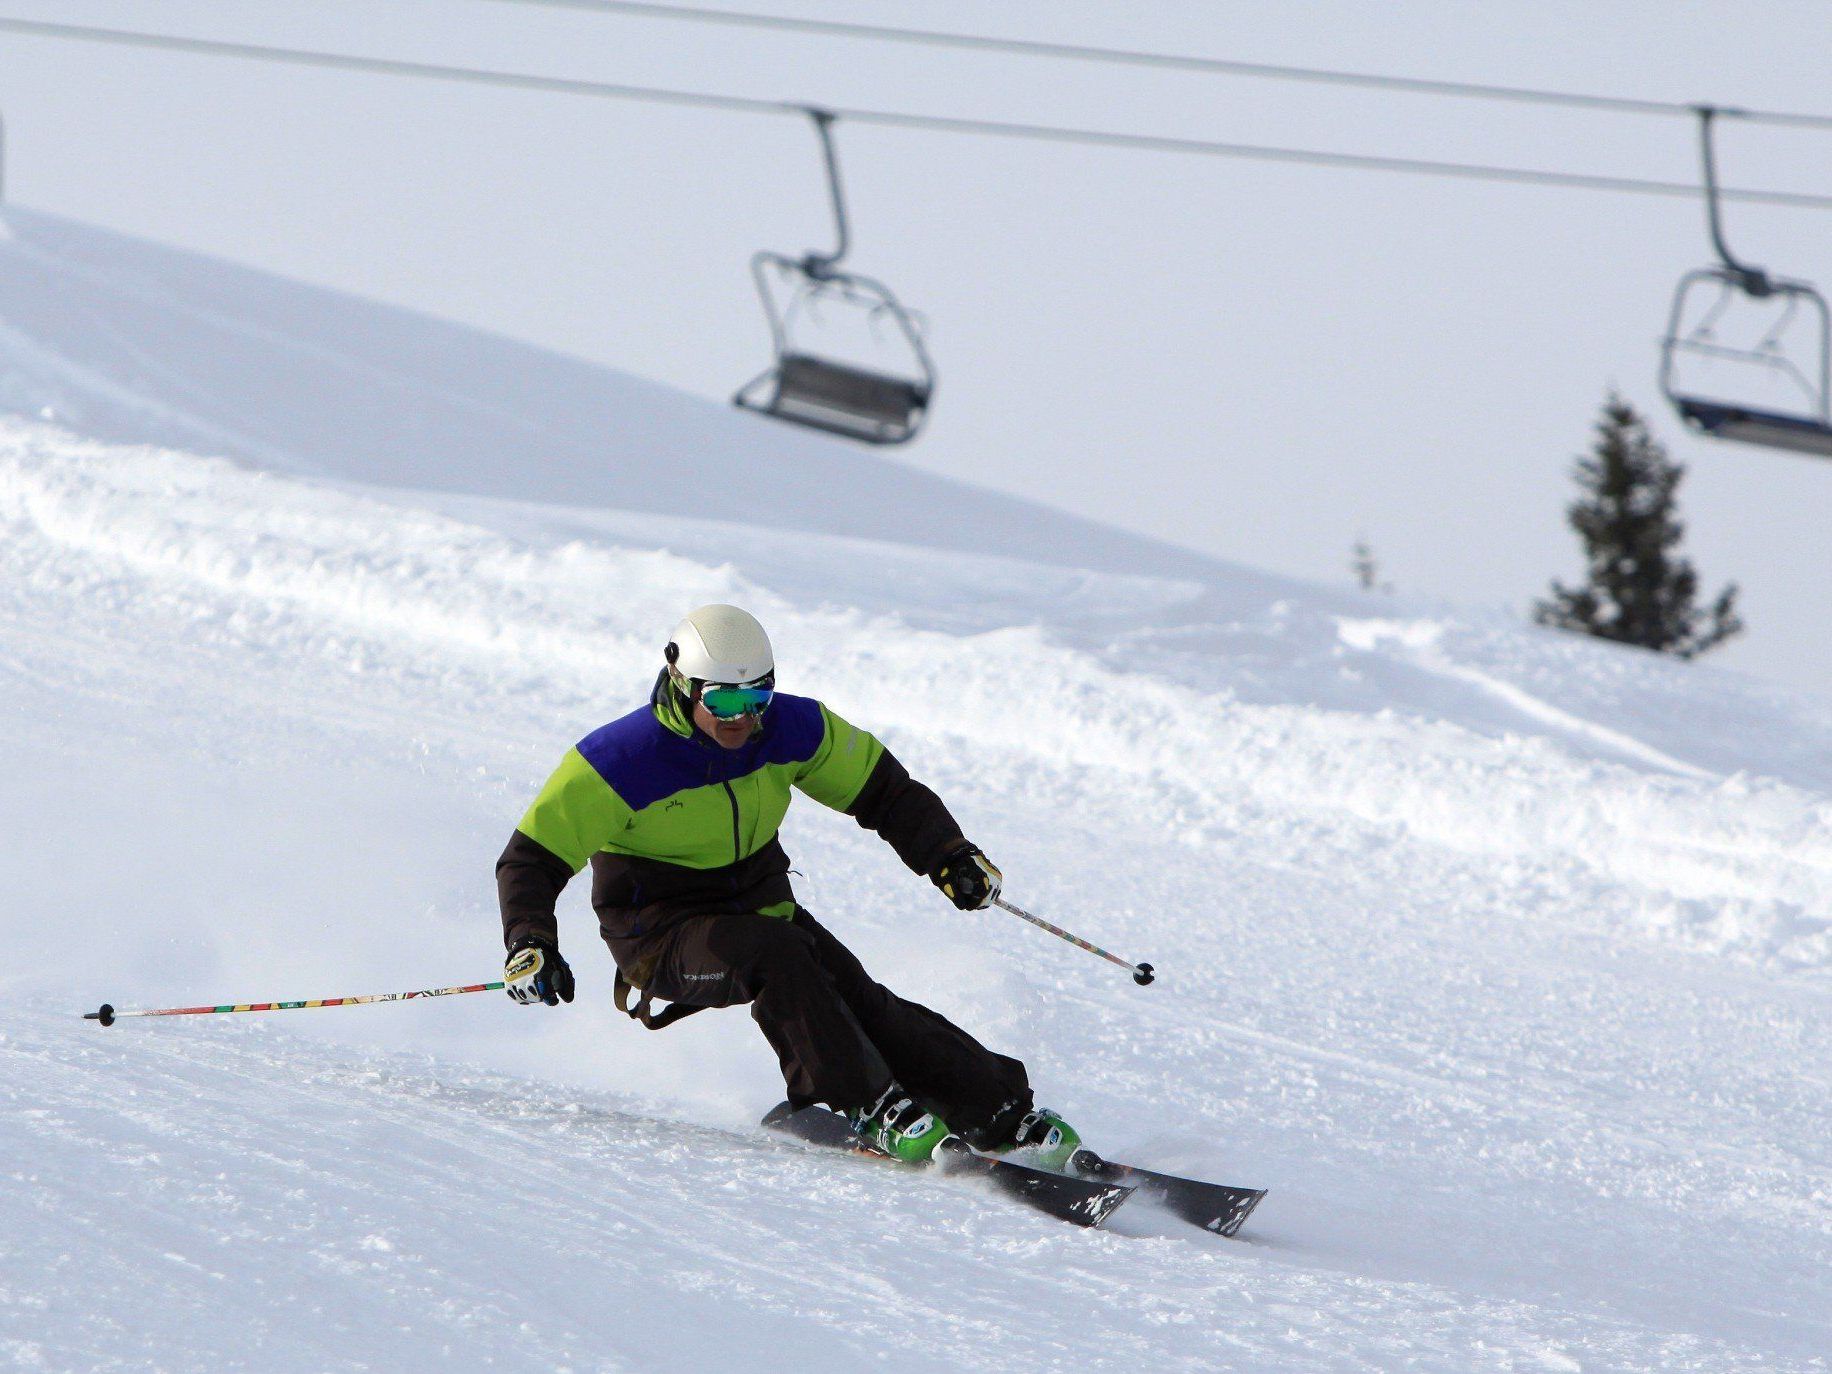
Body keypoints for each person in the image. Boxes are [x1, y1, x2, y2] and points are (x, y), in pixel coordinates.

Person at [495, 603, 1082, 1166]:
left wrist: (949, 856)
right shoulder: (621, 760)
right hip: (660, 933)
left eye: (757, 697)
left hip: (760, 906)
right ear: (681, 682)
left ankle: (997, 1113)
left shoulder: (791, 728)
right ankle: (853, 1104)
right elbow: (532, 859)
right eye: (723, 699)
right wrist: (529, 942)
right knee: (778, 960)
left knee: (856, 995)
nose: (742, 719)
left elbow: (884, 791)